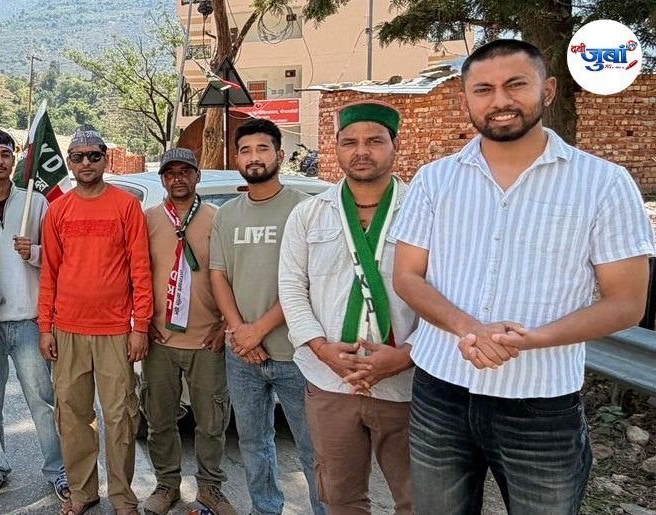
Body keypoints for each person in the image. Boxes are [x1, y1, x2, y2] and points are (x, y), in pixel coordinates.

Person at [390, 39, 654, 515]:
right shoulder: (434, 179)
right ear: (466, 99)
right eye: (483, 89)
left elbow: (626, 303)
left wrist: (531, 339)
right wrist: (469, 328)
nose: (500, 100)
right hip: (440, 390)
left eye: (515, 84)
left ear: (547, 90)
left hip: (541, 401)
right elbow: (408, 277)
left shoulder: (604, 183)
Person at [279, 101, 416, 515]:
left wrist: (406, 356)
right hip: (330, 381)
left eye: (374, 141)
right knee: (340, 497)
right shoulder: (309, 214)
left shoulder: (423, 212)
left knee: (418, 497)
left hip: (407, 384)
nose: (361, 151)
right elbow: (291, 288)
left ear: (395, 145)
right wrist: (322, 349)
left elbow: (446, 295)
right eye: (350, 142)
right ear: (336, 147)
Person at [209, 118, 325, 515]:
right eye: (245, 150)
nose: (254, 157)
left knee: (314, 448)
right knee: (254, 443)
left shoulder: (304, 209)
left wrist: (257, 330)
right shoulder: (227, 215)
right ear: (237, 158)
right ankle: (265, 508)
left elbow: (308, 281)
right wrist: (240, 332)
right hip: (242, 355)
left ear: (279, 154)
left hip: (298, 353)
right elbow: (218, 275)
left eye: (262, 148)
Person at [38, 126, 151, 515]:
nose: (86, 162)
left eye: (94, 155)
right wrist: (45, 327)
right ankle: (82, 491)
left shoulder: (126, 206)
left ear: (105, 159)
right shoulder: (58, 210)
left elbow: (141, 270)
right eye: (78, 156)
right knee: (73, 416)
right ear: (69, 163)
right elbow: (49, 273)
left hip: (116, 331)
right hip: (67, 330)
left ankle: (123, 496)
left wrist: (140, 326)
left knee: (121, 417)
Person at [0, 130, 69, 502]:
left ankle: (58, 469)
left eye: (5, 154)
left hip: (28, 318)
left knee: (42, 400)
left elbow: (58, 257)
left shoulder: (35, 203)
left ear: (14, 159)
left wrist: (35, 252)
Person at [138, 147, 235, 515]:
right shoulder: (147, 219)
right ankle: (167, 485)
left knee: (212, 422)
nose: (177, 178)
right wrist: (141, 322)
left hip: (207, 340)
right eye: (170, 173)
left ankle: (210, 488)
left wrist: (225, 326)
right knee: (160, 420)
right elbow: (135, 274)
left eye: (185, 171)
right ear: (163, 179)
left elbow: (232, 275)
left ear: (198, 176)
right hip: (160, 340)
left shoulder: (217, 219)